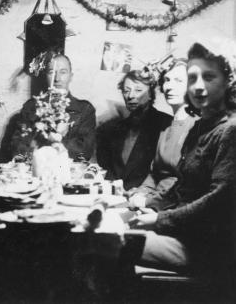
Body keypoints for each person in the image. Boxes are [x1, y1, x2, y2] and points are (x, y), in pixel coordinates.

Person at [130, 39, 236, 292]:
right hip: (183, 233)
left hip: (207, 247)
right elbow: (181, 184)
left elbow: (218, 201)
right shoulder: (199, 127)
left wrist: (160, 219)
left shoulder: (230, 131)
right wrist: (151, 207)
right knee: (108, 232)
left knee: (107, 242)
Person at [128, 59, 198, 208]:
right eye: (167, 80)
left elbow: (184, 185)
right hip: (153, 203)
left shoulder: (197, 126)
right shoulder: (166, 126)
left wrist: (147, 202)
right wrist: (140, 193)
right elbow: (154, 173)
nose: (169, 87)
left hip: (173, 208)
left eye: (179, 81)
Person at [5, 52, 96, 160]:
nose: (57, 78)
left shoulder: (85, 109)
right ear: (46, 76)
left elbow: (84, 151)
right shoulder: (31, 107)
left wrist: (58, 139)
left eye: (63, 72)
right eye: (51, 72)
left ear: (71, 76)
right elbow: (17, 146)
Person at [96, 70, 172, 190]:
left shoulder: (167, 124)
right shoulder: (112, 129)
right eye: (126, 91)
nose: (130, 96)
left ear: (151, 94)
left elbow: (167, 175)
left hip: (146, 199)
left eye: (138, 90)